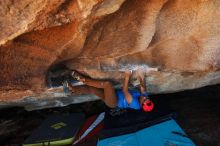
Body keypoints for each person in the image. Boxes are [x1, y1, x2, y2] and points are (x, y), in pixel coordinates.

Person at [67, 70, 154, 112]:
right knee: (91, 90)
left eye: (145, 100)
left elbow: (125, 91)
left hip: (113, 102)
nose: (146, 97)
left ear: (142, 104)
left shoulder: (135, 104)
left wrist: (127, 76)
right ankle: (73, 90)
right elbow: (144, 88)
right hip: (114, 96)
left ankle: (82, 79)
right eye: (147, 98)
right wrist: (142, 79)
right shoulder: (144, 97)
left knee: (107, 84)